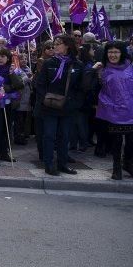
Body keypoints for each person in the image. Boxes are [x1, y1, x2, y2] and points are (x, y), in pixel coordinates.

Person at [34, 35, 84, 176]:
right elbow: (40, 84)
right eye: (54, 44)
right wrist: (44, 99)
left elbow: (80, 88)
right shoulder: (48, 63)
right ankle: (49, 164)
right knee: (49, 135)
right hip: (50, 106)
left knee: (64, 136)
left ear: (67, 46)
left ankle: (62, 164)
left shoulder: (77, 64)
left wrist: (74, 103)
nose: (55, 46)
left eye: (58, 44)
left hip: (67, 108)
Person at [89, 41, 133, 180]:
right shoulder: (103, 69)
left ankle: (128, 163)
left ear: (122, 53)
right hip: (114, 111)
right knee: (116, 141)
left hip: (131, 111)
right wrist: (92, 70)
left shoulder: (130, 67)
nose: (113, 55)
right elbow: (93, 88)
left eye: (116, 52)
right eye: (110, 52)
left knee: (131, 141)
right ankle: (116, 168)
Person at [0, 49, 23, 163]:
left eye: (3, 56)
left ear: (8, 58)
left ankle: (4, 153)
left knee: (6, 129)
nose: (0, 59)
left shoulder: (12, 69)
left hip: (9, 104)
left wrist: (9, 82)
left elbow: (19, 85)